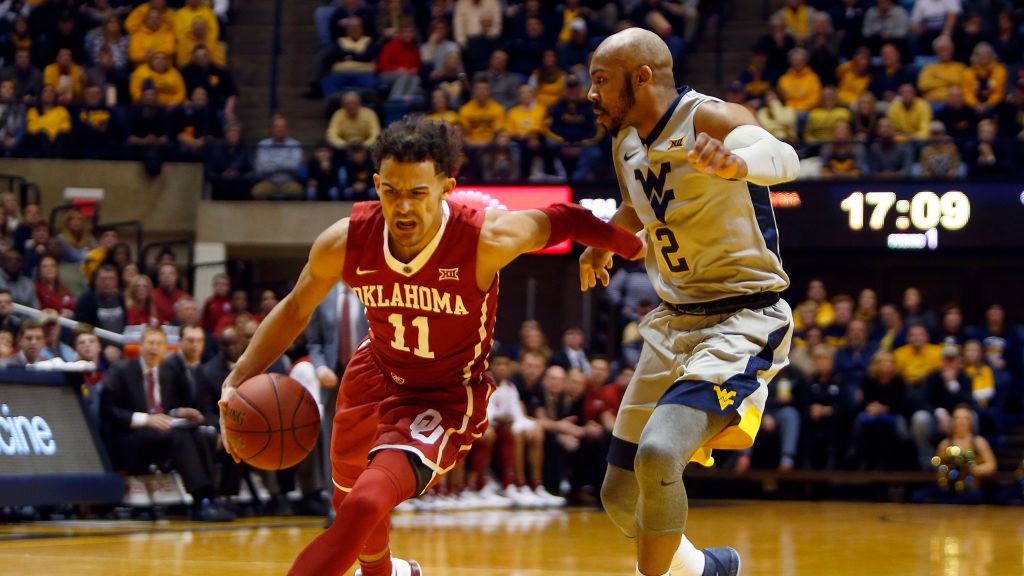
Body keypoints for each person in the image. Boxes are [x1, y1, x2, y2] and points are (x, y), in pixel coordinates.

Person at [217, 116, 643, 576]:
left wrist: (627, 247)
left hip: (443, 394)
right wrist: (238, 377)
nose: (403, 208)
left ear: (446, 188)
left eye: (418, 193)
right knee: (348, 498)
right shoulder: (345, 241)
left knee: (365, 500)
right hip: (375, 371)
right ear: (377, 184)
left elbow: (566, 219)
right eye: (392, 192)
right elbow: (296, 308)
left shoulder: (485, 238)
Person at [583, 28, 799, 576]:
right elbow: (642, 204)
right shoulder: (625, 141)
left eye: (601, 81)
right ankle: (704, 570)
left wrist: (737, 164)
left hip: (743, 317)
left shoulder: (708, 118)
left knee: (659, 454)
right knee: (618, 493)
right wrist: (606, 240)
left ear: (642, 78)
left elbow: (782, 155)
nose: (591, 94)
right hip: (673, 323)